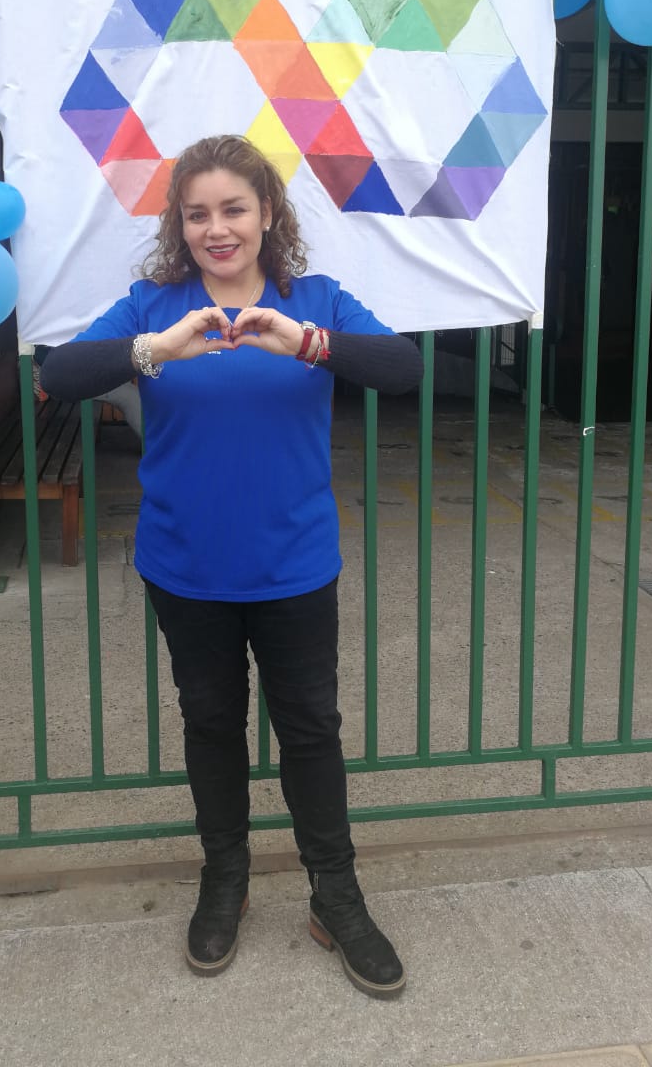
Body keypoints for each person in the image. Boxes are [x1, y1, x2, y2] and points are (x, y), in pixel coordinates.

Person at [41, 135, 423, 999]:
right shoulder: (153, 306)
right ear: (180, 225)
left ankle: (336, 895)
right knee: (211, 723)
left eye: (234, 209)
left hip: (294, 567)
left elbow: (401, 367)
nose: (217, 229)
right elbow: (60, 375)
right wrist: (155, 350)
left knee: (311, 729)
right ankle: (226, 879)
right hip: (186, 567)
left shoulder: (312, 300)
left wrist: (308, 343)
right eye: (197, 213)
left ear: (267, 214)